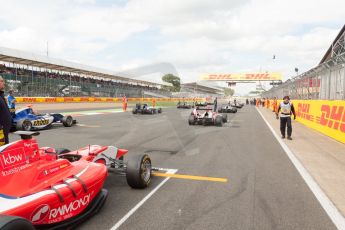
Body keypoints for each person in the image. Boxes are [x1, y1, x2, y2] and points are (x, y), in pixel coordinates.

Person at [0, 76, 12, 145]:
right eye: (2, 81)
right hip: (1, 133)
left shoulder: (1, 95)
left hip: (5, 132)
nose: (3, 83)